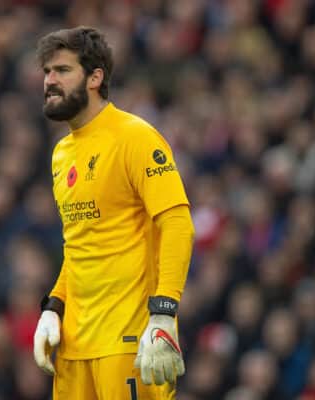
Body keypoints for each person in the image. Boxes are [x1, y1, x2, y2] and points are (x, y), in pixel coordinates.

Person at [32, 26, 195, 400]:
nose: (49, 81)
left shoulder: (134, 138)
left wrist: (164, 313)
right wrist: (53, 307)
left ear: (95, 77)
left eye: (61, 70)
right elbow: (80, 245)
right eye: (46, 72)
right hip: (73, 349)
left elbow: (177, 223)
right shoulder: (62, 154)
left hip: (130, 342)